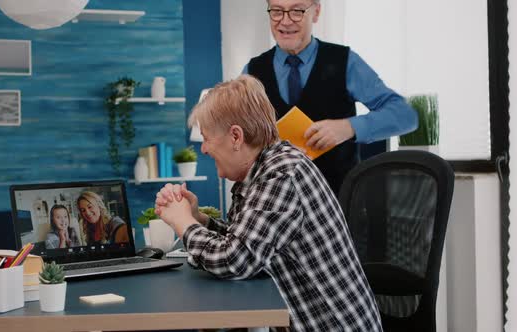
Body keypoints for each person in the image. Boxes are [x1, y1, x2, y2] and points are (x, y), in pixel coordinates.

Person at [154, 75, 382, 331]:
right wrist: (199, 220)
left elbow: (235, 259)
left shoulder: (282, 173)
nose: (204, 148)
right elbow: (245, 241)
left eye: (206, 138)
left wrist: (183, 223)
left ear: (236, 137)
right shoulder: (258, 172)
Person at [244, 0, 417, 195]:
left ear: (316, 13)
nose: (285, 21)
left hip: (340, 205)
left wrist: (349, 127)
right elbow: (239, 138)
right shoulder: (252, 72)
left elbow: (405, 115)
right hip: (276, 206)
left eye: (297, 11)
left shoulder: (345, 62)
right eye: (277, 11)